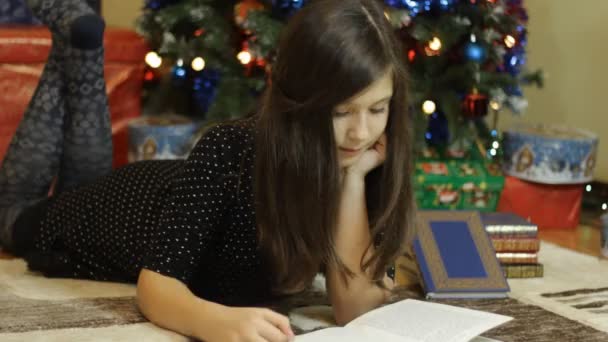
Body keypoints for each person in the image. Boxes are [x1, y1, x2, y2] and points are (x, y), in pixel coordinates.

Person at [0, 0, 415, 340]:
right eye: (341, 112)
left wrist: (354, 180)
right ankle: (74, 47)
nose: (361, 132)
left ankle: (77, 45)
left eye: (378, 108)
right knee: (13, 211)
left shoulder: (366, 160)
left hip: (127, 198)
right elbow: (156, 285)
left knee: (79, 175)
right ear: (297, 100)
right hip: (85, 221)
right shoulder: (230, 148)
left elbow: (353, 309)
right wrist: (216, 322)